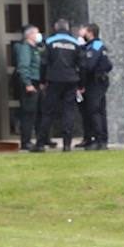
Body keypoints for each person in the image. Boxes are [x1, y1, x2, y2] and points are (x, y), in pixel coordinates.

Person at [34, 19, 83, 153]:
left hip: (54, 80)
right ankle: (67, 145)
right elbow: (81, 64)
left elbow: (43, 63)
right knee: (68, 112)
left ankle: (40, 144)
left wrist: (42, 81)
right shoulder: (75, 43)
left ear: (55, 28)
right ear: (67, 28)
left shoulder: (50, 42)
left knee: (48, 112)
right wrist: (81, 84)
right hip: (71, 80)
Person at [78, 23, 113, 151]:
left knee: (95, 111)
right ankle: (96, 139)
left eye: (83, 30)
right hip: (95, 82)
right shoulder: (89, 46)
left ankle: (100, 140)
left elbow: (89, 65)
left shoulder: (96, 45)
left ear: (90, 32)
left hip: (95, 82)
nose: (81, 31)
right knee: (96, 111)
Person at [14, 25, 44, 152]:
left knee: (36, 113)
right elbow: (23, 67)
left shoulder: (35, 48)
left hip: (36, 83)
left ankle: (38, 140)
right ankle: (26, 142)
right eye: (36, 33)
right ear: (30, 35)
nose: (39, 35)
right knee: (28, 114)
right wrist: (28, 83)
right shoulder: (26, 48)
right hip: (30, 84)